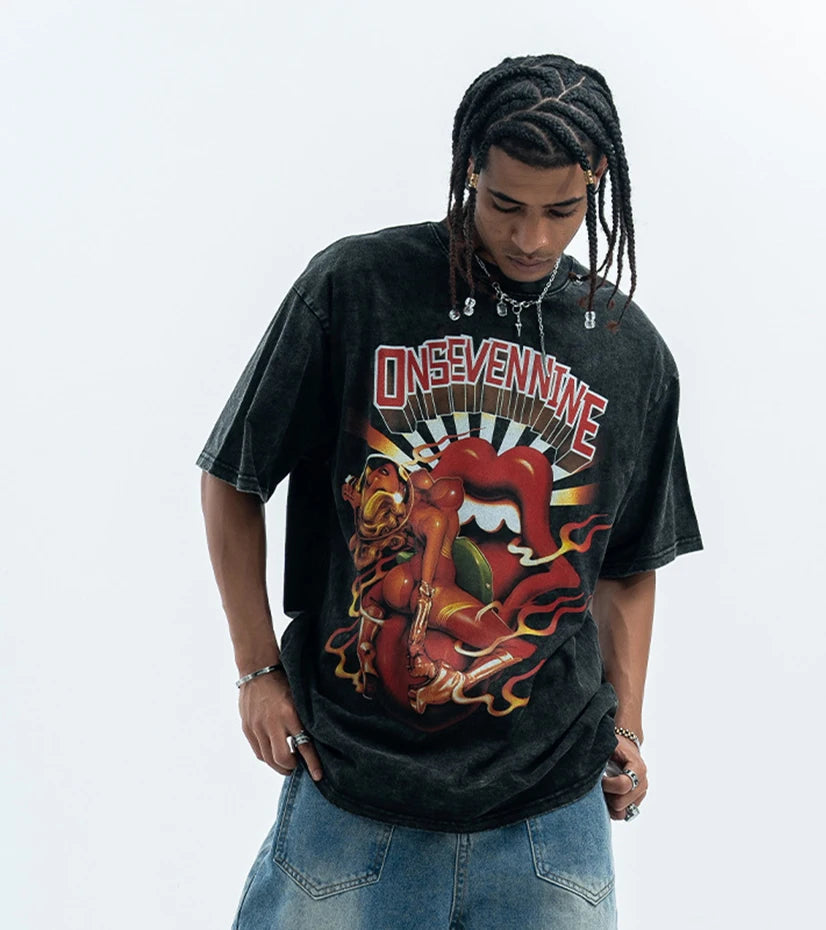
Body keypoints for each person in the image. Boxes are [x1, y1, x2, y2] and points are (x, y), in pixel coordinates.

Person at [199, 53, 703, 930]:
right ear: (468, 168)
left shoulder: (629, 352)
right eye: (505, 204)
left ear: (599, 181)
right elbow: (232, 477)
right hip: (354, 792)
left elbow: (629, 565)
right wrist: (256, 671)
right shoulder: (356, 289)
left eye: (562, 211)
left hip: (551, 813)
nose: (531, 239)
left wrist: (627, 727)